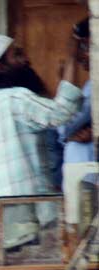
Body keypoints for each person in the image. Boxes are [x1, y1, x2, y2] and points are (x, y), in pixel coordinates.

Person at [0, 31, 82, 248]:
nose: (25, 60)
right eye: (16, 55)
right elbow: (62, 111)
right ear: (0, 66)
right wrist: (72, 57)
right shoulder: (16, 98)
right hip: (33, 217)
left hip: (0, 226)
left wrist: (0, 189)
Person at [59, 18, 94, 168]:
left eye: (84, 46)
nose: (80, 55)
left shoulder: (94, 87)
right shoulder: (90, 85)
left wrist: (70, 60)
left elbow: (64, 125)